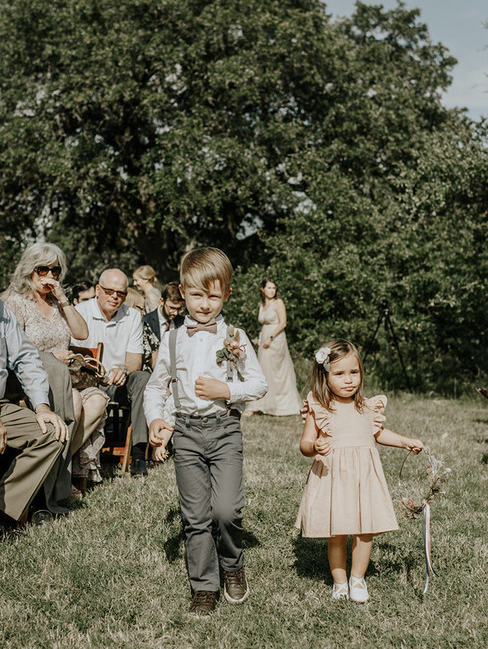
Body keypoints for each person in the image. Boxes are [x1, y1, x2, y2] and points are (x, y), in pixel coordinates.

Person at [144, 247, 267, 617]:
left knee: (226, 510)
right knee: (195, 517)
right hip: (186, 433)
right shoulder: (172, 339)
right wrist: (155, 420)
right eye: (197, 295)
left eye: (213, 296)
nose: (204, 304)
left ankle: (232, 564)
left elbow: (258, 384)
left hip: (225, 429)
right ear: (182, 292)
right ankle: (204, 586)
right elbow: (155, 387)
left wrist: (226, 391)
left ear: (226, 294)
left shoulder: (235, 335)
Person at [295, 340, 423, 602]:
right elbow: (304, 443)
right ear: (325, 375)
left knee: (365, 531)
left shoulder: (367, 406)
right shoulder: (319, 406)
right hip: (333, 477)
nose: (348, 380)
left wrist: (404, 442)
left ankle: (358, 578)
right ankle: (340, 582)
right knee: (338, 531)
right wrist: (315, 446)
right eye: (339, 374)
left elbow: (377, 433)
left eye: (354, 372)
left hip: (364, 478)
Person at [3, 243, 107, 503]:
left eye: (55, 270)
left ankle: (58, 468)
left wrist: (63, 300)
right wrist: (50, 357)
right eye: (43, 269)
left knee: (98, 401)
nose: (50, 275)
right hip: (34, 379)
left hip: (66, 375)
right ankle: (58, 478)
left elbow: (82, 334)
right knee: (74, 401)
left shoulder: (57, 302)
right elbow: (17, 352)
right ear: (29, 271)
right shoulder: (15, 303)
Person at [71, 269, 150, 476]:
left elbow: (135, 360)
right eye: (109, 291)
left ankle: (139, 453)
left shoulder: (132, 316)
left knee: (143, 378)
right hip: (87, 381)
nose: (115, 296)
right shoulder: (81, 311)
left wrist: (123, 369)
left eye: (121, 293)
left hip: (117, 383)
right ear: (98, 290)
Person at [0, 298, 67, 532]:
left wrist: (42, 407)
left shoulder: (3, 312)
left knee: (51, 433)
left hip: (2, 406)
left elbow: (25, 359)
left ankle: (4, 512)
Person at [243, 279, 302, 417]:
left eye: (274, 288)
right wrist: (261, 336)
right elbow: (263, 323)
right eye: (269, 288)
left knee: (276, 372)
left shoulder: (278, 303)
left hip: (276, 339)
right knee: (263, 371)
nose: (272, 290)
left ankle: (278, 405)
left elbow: (282, 323)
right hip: (264, 340)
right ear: (262, 289)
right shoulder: (262, 304)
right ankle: (260, 405)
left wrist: (270, 338)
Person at [143, 282, 185, 370]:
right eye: (172, 308)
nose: (176, 313)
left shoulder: (183, 322)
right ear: (162, 301)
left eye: (179, 309)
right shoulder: (146, 321)